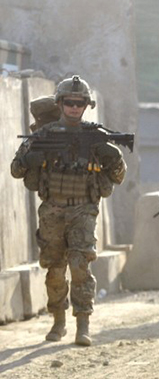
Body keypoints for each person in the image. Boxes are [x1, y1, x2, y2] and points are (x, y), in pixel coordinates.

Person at [11, 75, 129, 346]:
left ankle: (83, 323)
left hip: (83, 210)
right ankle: (58, 320)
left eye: (79, 103)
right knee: (54, 268)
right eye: (69, 102)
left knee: (79, 264)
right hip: (52, 210)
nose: (74, 108)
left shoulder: (96, 136)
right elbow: (16, 170)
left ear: (86, 105)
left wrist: (113, 157)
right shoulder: (43, 135)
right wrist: (30, 159)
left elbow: (119, 176)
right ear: (60, 103)